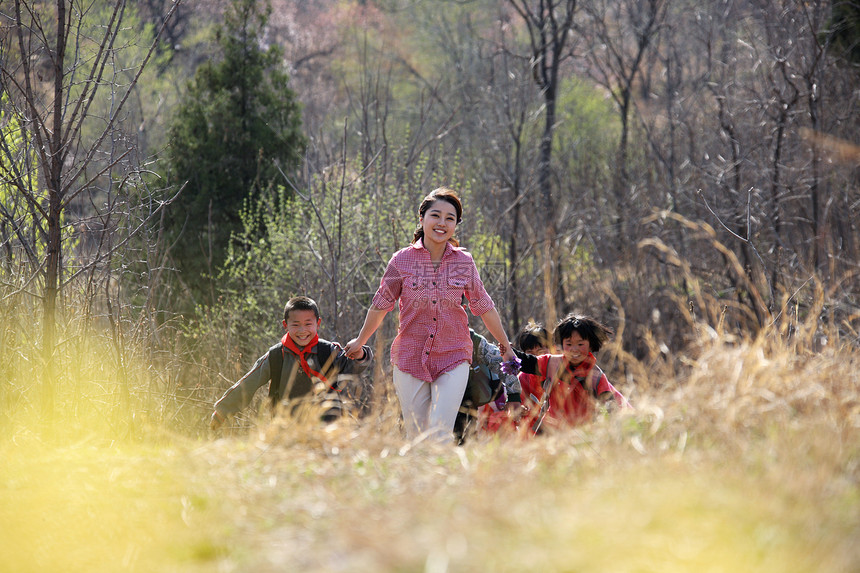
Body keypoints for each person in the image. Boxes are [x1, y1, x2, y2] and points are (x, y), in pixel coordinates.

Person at [343, 187, 518, 443]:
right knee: (417, 436)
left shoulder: (464, 262)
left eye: (450, 218)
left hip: (454, 355)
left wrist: (506, 347)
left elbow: (485, 306)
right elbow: (381, 304)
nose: (442, 223)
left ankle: (447, 480)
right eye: (436, 215)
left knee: (439, 431)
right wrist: (360, 341)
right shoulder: (401, 260)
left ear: (456, 225)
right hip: (409, 358)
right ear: (422, 218)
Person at [210, 296, 373, 430]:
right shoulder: (276, 356)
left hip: (327, 426)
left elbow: (352, 366)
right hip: (285, 427)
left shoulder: (328, 351)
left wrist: (360, 353)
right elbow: (249, 383)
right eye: (296, 325)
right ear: (285, 325)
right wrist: (222, 411)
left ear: (318, 323)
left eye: (308, 324)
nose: (302, 331)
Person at [514, 313, 629, 434]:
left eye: (580, 344)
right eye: (569, 344)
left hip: (582, 434)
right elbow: (526, 361)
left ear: (590, 345)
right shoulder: (551, 363)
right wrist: (505, 349)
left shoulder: (595, 375)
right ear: (561, 344)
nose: (574, 349)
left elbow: (611, 405)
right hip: (550, 433)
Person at [453, 327, 522, 443]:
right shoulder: (421, 335)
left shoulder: (473, 340)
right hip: (431, 406)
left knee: (465, 442)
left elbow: (503, 363)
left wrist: (514, 395)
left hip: (468, 407)